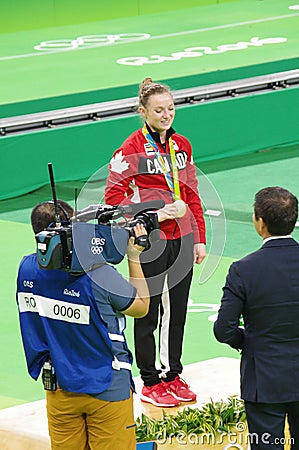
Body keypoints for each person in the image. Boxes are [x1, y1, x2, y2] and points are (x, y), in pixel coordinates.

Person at [105, 77, 206, 407]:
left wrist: (199, 237)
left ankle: (172, 374)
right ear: (143, 111)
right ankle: (150, 380)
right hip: (151, 241)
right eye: (159, 110)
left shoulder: (182, 146)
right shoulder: (129, 149)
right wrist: (157, 212)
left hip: (182, 239)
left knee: (176, 312)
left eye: (171, 108)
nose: (167, 115)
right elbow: (113, 201)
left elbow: (190, 192)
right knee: (149, 313)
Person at [16, 200, 150, 450]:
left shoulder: (26, 269)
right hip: (107, 388)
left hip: (60, 389)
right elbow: (141, 306)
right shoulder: (99, 273)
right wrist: (134, 257)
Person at [214, 186, 299, 448]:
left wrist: (251, 341)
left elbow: (224, 329)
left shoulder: (243, 269)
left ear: (259, 222)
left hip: (264, 379)